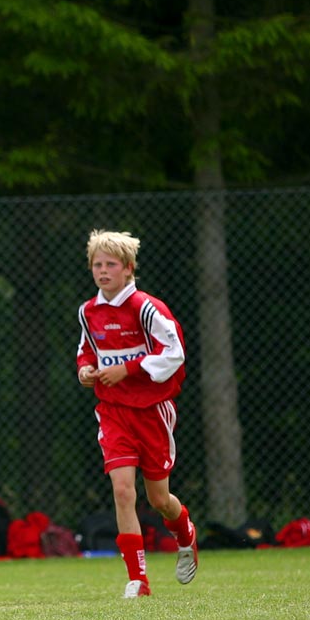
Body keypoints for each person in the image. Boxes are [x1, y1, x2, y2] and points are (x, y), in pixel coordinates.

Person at [75, 230, 199, 598]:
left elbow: (174, 353)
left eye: (111, 264)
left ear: (128, 269)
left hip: (151, 411)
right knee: (123, 490)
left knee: (159, 499)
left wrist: (128, 369)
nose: (103, 271)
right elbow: (86, 353)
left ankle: (185, 534)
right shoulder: (88, 312)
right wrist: (85, 371)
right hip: (113, 412)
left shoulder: (146, 308)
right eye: (97, 264)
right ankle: (138, 580)